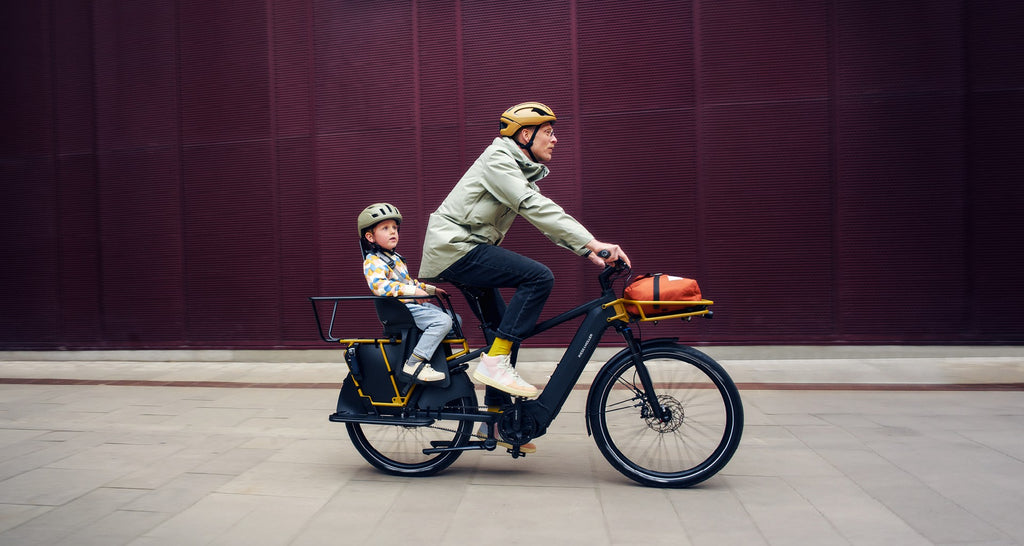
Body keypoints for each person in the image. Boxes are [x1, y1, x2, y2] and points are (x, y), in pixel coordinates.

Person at [419, 101, 631, 401]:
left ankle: (495, 420)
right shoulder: (498, 160)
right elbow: (534, 207)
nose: (555, 139)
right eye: (548, 131)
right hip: (455, 247)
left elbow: (546, 219)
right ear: (524, 136)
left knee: (506, 329)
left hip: (462, 248)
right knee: (538, 278)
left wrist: (586, 251)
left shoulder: (515, 169)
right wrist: (593, 241)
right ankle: (495, 364)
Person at [359, 202, 453, 383]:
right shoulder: (373, 261)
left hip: (408, 306)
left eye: (394, 227)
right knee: (443, 321)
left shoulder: (395, 258)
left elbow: (409, 282)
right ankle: (414, 363)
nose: (393, 231)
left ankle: (434, 357)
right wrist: (412, 291)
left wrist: (430, 290)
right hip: (398, 311)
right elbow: (380, 286)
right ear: (370, 237)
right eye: (385, 228)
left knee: (454, 319)